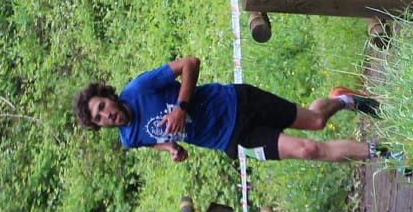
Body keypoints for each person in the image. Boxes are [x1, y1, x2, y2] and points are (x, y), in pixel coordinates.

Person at [73, 56, 394, 164]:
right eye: (99, 119)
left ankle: (341, 99)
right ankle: (388, 154)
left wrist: (181, 107)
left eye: (102, 107)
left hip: (237, 101)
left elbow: (190, 64)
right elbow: (150, 139)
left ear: (109, 97)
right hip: (232, 139)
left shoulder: (140, 88)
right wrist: (170, 146)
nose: (106, 116)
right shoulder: (129, 139)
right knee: (309, 149)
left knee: (317, 121)